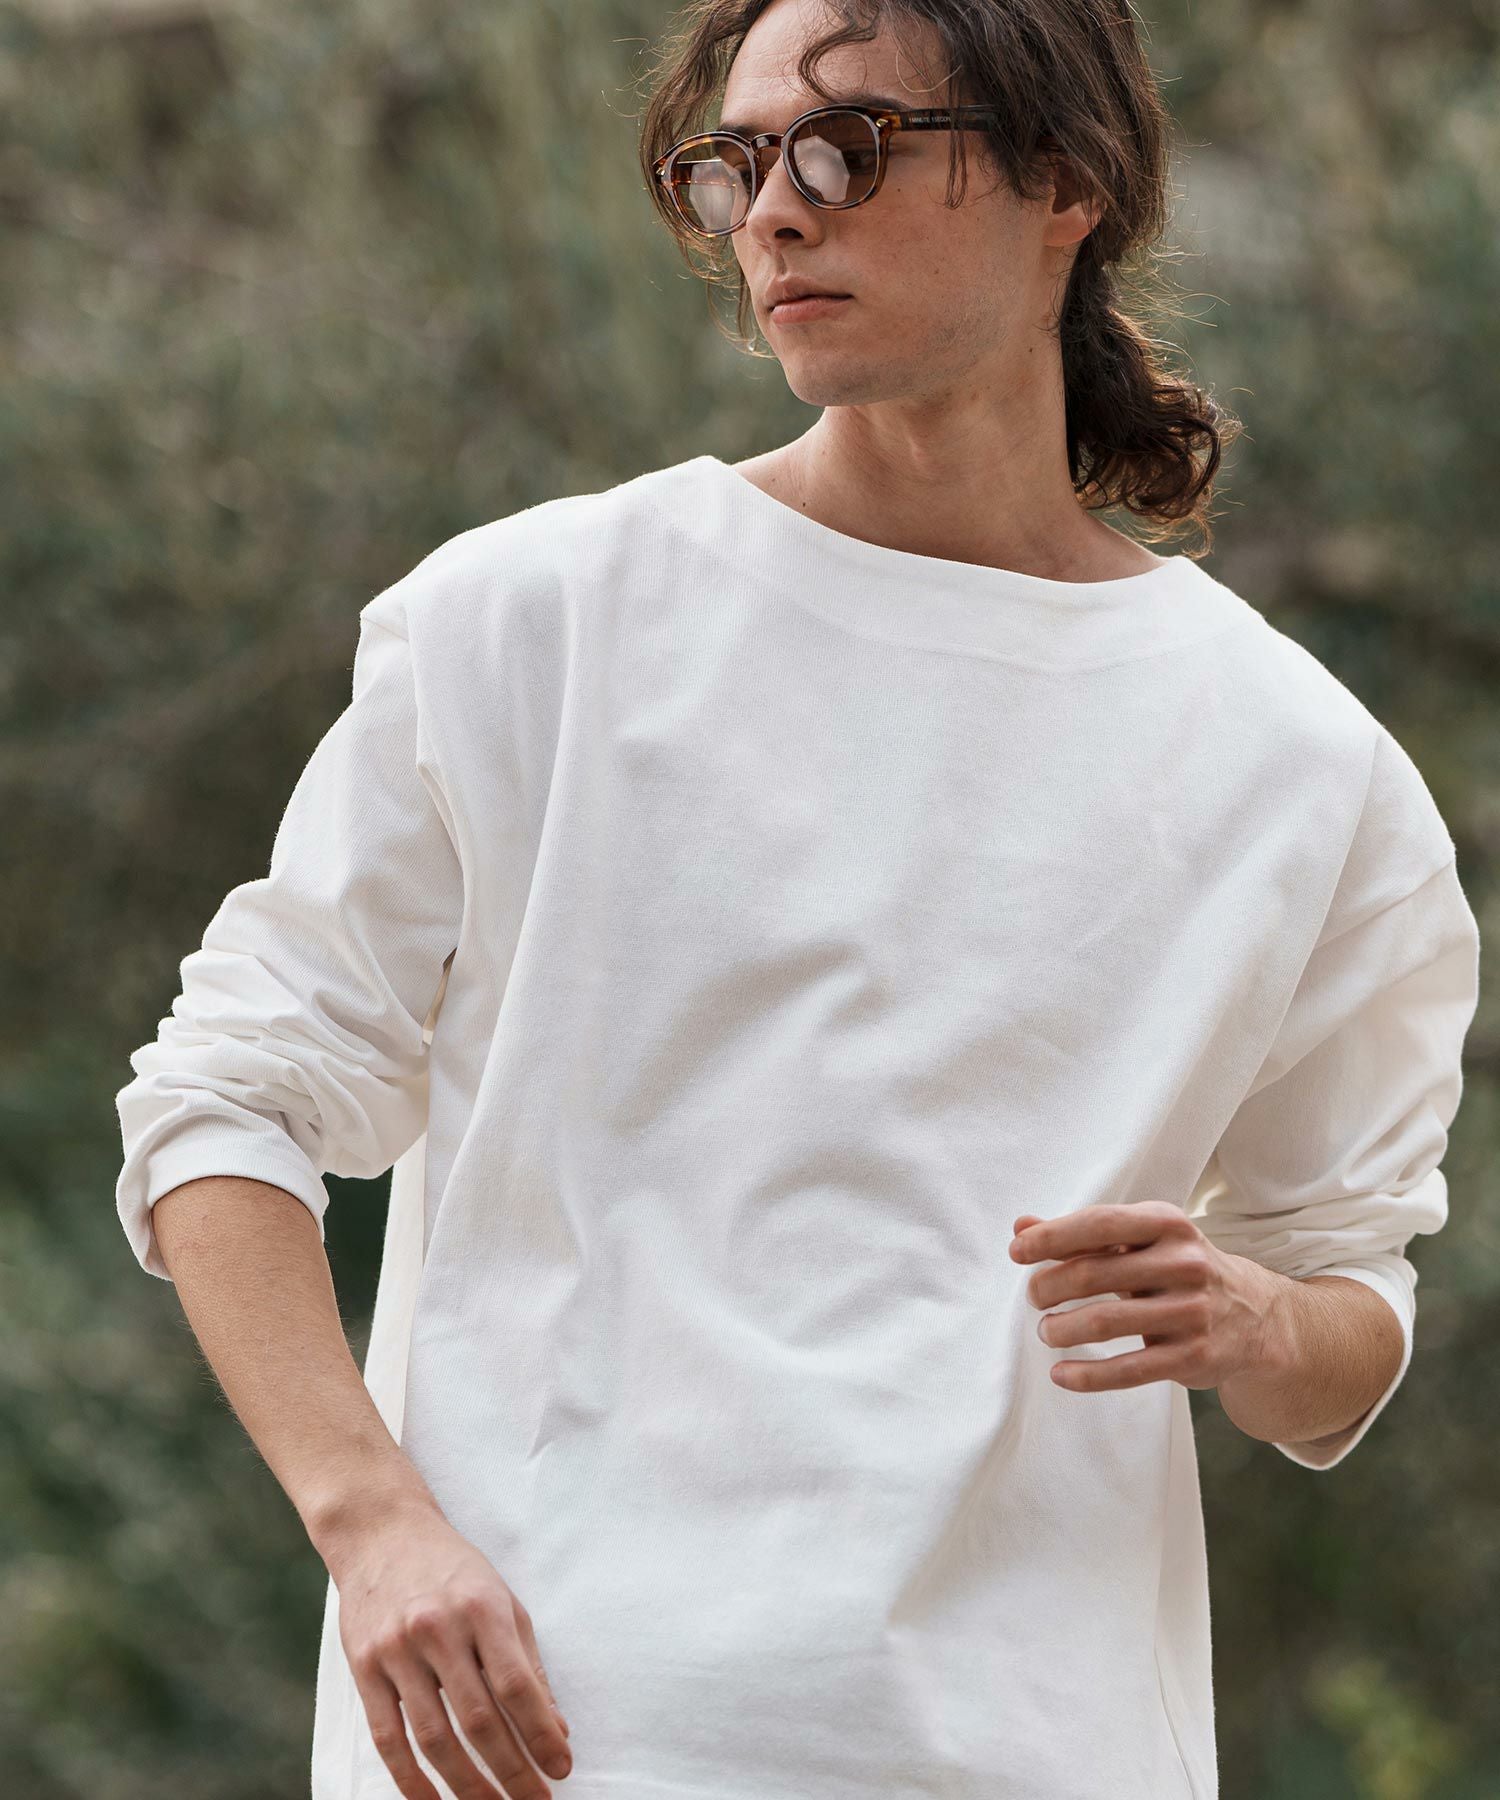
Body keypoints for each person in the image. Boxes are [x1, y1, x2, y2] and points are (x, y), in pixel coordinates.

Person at [113, 2, 1482, 1797]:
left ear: (1068, 180)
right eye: (736, 162)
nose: (773, 210)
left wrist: (1256, 1320)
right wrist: (373, 1524)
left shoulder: (1302, 768)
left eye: (848, 145)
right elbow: (220, 1105)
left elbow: (1347, 1307)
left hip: (1035, 1755)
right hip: (544, 1750)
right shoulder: (533, 624)